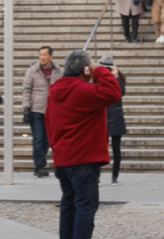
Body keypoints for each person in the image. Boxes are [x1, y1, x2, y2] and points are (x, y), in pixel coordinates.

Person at [46, 49, 122, 239]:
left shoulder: (55, 92)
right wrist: (99, 71)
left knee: (69, 205)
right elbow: (113, 93)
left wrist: (57, 148)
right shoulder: (83, 90)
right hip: (84, 159)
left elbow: (48, 123)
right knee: (85, 206)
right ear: (84, 69)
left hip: (63, 158)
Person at [22, 46, 63, 178]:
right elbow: (26, 89)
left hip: (53, 110)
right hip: (37, 110)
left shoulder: (58, 71)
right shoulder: (33, 71)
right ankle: (39, 166)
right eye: (40, 55)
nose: (42, 58)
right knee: (39, 138)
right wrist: (26, 107)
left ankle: (44, 163)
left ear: (51, 57)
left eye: (45, 55)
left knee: (48, 140)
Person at [97, 56, 126, 185]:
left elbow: (121, 92)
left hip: (115, 117)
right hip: (102, 116)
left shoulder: (117, 80)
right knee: (98, 149)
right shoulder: (98, 79)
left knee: (116, 149)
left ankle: (115, 177)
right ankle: (96, 176)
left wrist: (116, 77)